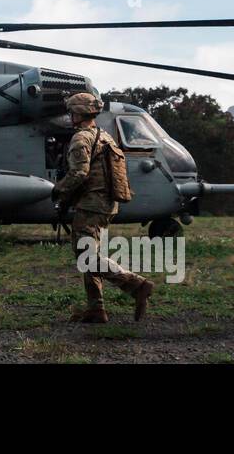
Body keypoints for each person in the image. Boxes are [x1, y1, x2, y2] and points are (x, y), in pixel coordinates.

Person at [52, 92, 153, 323]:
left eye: (71, 112)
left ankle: (137, 285)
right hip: (106, 204)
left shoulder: (81, 138)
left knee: (85, 255)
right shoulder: (105, 136)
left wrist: (58, 189)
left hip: (91, 204)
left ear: (77, 113)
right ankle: (96, 309)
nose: (70, 116)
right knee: (91, 253)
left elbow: (79, 173)